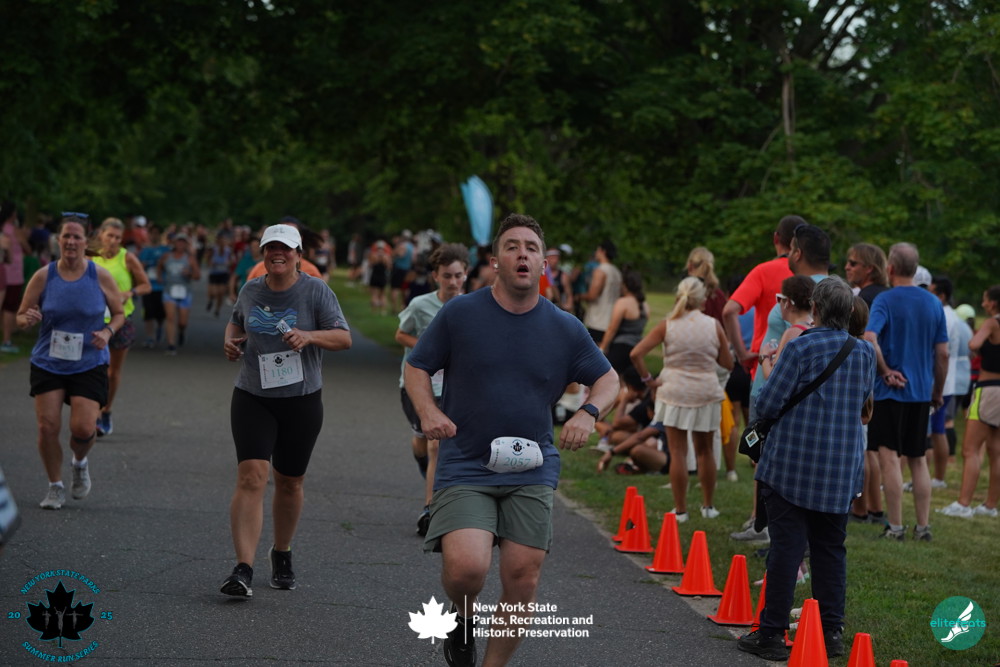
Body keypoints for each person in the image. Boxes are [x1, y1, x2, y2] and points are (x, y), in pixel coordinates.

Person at [403, 213, 618, 667]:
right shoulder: (461, 314)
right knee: (467, 570)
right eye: (512, 246)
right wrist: (428, 411)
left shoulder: (564, 327)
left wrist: (588, 412)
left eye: (532, 248)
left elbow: (608, 380)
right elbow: (417, 366)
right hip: (467, 461)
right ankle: (463, 619)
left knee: (523, 578)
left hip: (531, 466)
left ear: (544, 265)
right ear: (495, 261)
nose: (523, 254)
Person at [736, 276, 876, 661]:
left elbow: (767, 403)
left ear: (815, 308)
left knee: (786, 548)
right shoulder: (864, 353)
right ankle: (831, 633)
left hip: (792, 465)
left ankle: (771, 634)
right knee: (830, 550)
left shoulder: (800, 347)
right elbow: (864, 404)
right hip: (840, 468)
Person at [220, 223, 351, 598]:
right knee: (251, 477)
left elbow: (343, 338)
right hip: (253, 395)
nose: (277, 254)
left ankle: (282, 551)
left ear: (298, 254)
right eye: (270, 248)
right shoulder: (251, 289)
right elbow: (236, 322)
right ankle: (243, 568)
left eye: (286, 248)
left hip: (301, 399)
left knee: (290, 482)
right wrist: (230, 342)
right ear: (263, 253)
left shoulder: (316, 290)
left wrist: (309, 336)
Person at [14, 212, 125, 510]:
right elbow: (21, 315)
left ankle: (79, 462)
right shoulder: (44, 276)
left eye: (77, 236)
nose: (71, 241)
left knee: (84, 429)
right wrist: (27, 318)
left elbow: (119, 313)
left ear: (86, 241)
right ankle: (55, 486)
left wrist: (108, 331)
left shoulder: (99, 275)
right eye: (66, 236)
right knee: (47, 427)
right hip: (48, 360)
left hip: (89, 360)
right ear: (58, 240)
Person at [629, 276, 734, 521]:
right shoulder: (713, 325)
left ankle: (681, 510)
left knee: (677, 452)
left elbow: (636, 354)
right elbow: (728, 364)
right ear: (702, 299)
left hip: (674, 392)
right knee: (705, 451)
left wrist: (649, 380)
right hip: (706, 392)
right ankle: (708, 507)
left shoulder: (668, 325)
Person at [863, 243, 948, 541]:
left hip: (890, 392)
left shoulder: (885, 299)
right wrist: (937, 391)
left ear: (890, 268)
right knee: (918, 458)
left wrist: (885, 371)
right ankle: (923, 527)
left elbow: (869, 338)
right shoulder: (933, 303)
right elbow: (943, 353)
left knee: (889, 458)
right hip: (921, 392)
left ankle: (896, 526)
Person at [395, 243, 469, 537]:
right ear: (436, 276)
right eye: (447, 276)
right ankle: (422, 462)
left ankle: (430, 510)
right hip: (418, 385)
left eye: (458, 275)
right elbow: (401, 334)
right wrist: (429, 350)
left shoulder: (471, 307)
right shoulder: (420, 305)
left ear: (466, 275)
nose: (453, 281)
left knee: (437, 445)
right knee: (422, 444)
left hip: (452, 387)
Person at [939, 285, 1000, 518]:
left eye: (985, 300)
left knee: (971, 449)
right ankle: (990, 506)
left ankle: (963, 504)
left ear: (993, 303)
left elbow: (973, 344)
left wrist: (979, 347)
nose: (983, 304)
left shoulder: (992, 323)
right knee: (996, 450)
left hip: (987, 390)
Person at [91, 218, 151, 436]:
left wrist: (130, 293)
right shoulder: (90, 256)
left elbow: (146, 285)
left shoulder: (127, 257)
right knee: (92, 369)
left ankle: (106, 410)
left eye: (118, 237)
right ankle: (92, 413)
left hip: (121, 321)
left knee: (112, 372)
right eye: (110, 236)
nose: (114, 241)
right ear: (101, 235)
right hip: (94, 320)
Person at [844, 242, 889, 523]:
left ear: (870, 268)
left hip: (872, 378)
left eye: (853, 263)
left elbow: (869, 339)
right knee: (871, 449)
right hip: (887, 381)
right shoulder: (887, 295)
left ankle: (861, 508)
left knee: (864, 448)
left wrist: (883, 370)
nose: (847, 267)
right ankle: (874, 507)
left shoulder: (867, 299)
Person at [928, 275, 961, 489]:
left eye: (931, 292)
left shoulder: (945, 317)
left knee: (936, 429)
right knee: (936, 429)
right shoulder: (949, 315)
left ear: (941, 296)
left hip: (941, 381)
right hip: (945, 380)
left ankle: (938, 478)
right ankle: (936, 478)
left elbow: (942, 353)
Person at [758, 276, 815, 380]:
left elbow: (773, 378)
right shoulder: (815, 327)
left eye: (779, 299)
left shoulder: (792, 333)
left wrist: (764, 356)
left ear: (787, 303)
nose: (779, 303)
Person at [598, 269, 648, 380]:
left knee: (606, 379)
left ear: (625, 285)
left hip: (621, 347)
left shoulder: (623, 302)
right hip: (637, 348)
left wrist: (602, 348)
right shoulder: (644, 305)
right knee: (624, 381)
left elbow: (612, 328)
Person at [157, 233, 201, 355]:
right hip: (169, 291)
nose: (180, 244)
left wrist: (189, 274)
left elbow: (197, 276)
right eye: (178, 241)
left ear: (186, 244)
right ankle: (171, 344)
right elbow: (159, 266)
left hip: (184, 292)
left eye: (183, 242)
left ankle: (181, 331)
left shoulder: (190, 259)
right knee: (170, 317)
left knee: (182, 322)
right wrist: (159, 277)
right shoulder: (167, 256)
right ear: (174, 243)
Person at [580, 240, 622, 344]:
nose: (596, 253)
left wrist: (579, 296)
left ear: (603, 251)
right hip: (613, 319)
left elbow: (592, 295)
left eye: (597, 250)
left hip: (598, 320)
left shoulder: (600, 271)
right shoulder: (617, 271)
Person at [1, 201, 29, 353]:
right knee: (10, 307)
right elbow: (27, 248)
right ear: (13, 213)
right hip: (13, 273)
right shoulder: (15, 231)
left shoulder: (2, 229)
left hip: (3, 270)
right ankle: (6, 340)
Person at [138, 224, 169, 348]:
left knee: (161, 313)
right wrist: (144, 265)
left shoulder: (166, 250)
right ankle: (150, 337)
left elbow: (169, 265)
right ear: (149, 235)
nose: (155, 236)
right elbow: (138, 267)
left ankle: (160, 328)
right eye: (152, 233)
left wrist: (161, 266)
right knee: (148, 313)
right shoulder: (145, 251)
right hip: (148, 286)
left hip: (161, 286)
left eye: (157, 233)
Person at [205, 231, 234, 317]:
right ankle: (210, 300)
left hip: (223, 273)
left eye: (224, 240)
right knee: (213, 292)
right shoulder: (213, 249)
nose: (222, 241)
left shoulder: (228, 250)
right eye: (221, 240)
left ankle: (217, 309)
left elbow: (232, 260)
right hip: (214, 273)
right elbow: (207, 258)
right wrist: (210, 263)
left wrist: (229, 263)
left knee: (221, 293)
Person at [367, 240, 392, 314]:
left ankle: (374, 310)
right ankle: (383, 311)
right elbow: (389, 267)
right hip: (382, 277)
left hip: (374, 276)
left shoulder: (373, 255)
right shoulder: (386, 256)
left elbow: (369, 265)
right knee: (383, 295)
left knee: (374, 294)